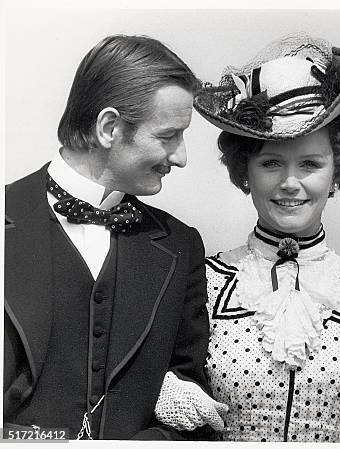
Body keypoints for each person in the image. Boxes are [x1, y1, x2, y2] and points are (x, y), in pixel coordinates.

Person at [153, 33, 340, 443]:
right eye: (271, 163)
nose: (291, 183)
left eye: (310, 163)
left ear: (337, 168)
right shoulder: (200, 280)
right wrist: (155, 389)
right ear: (245, 170)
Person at [4, 34, 215, 440]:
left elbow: (192, 403)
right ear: (109, 128)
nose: (181, 157)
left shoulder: (179, 245)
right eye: (168, 136)